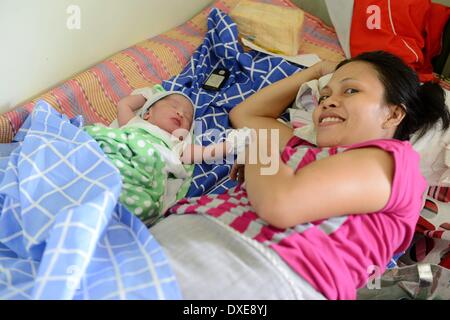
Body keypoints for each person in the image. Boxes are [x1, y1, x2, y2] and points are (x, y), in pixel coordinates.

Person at [150, 51, 450, 299]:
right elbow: (246, 115)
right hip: (182, 249)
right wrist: (315, 70)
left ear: (394, 114)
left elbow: (280, 202)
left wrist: (258, 152)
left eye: (351, 90)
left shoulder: (393, 162)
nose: (328, 101)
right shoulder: (299, 148)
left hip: (260, 271)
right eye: (324, 96)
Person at [84, 85, 250, 225]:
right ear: (147, 113)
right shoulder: (133, 124)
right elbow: (124, 105)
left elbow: (208, 152)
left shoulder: (176, 146)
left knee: (142, 202)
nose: (180, 114)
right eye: (173, 106)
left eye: (187, 117)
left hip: (142, 172)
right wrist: (148, 95)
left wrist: (233, 143)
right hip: (113, 154)